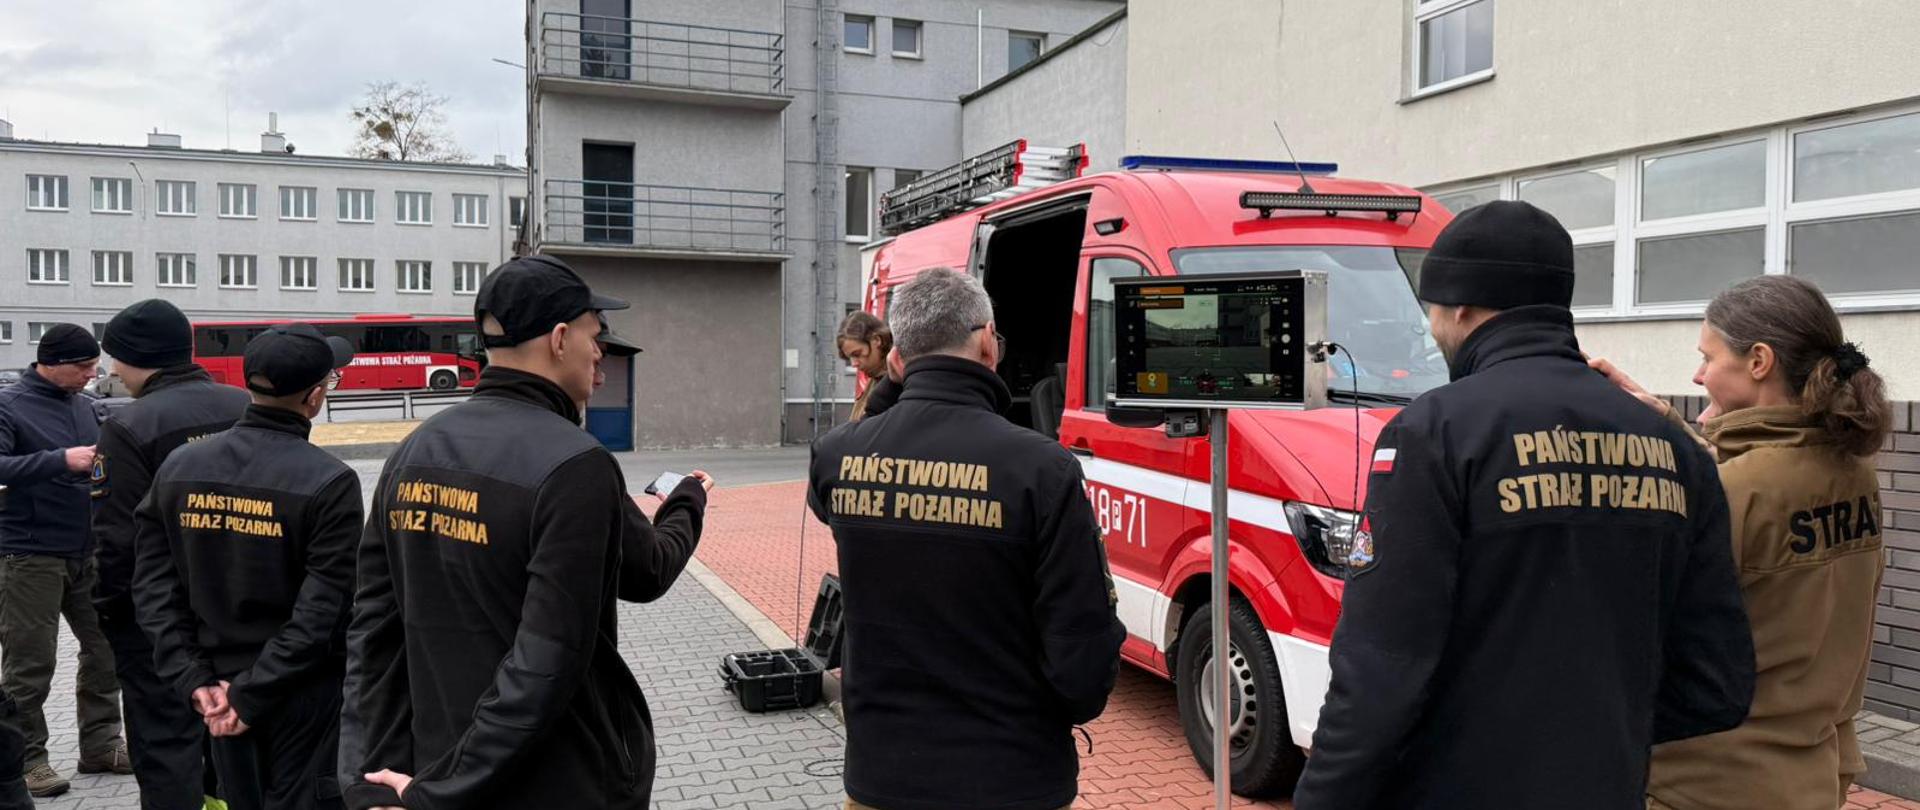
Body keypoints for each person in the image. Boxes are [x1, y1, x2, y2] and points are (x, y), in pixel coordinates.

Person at [1291, 201, 1756, 810]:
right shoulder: (1675, 446)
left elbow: (1382, 663)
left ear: (1459, 305)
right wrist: (1592, 739)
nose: (1433, 329)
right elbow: (1716, 684)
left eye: (1431, 311)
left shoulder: (1434, 432)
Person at [341, 255, 710, 809]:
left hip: (438, 763)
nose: (600, 350)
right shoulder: (574, 465)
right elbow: (546, 659)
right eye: (596, 333)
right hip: (554, 777)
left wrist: (368, 782)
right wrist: (690, 503)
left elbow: (371, 634)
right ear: (560, 339)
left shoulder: (413, 452)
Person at [807, 267, 1126, 810]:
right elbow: (1082, 651)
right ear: (986, 343)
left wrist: (900, 378)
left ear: (898, 358)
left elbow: (828, 500)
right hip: (1011, 778)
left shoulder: (837, 455)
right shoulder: (1041, 468)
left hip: (881, 778)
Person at [1588, 275, 1891, 810]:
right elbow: (1759, 488)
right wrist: (1668, 423)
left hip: (1708, 783)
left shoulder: (1736, 491)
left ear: (1758, 361)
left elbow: (1636, 636)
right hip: (1813, 772)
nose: (1698, 374)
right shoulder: (1852, 472)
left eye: (1708, 356)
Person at [130, 323, 361, 810]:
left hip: (213, 692)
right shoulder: (329, 480)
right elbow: (323, 610)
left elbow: (153, 588)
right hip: (297, 695)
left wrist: (194, 681)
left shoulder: (178, 466)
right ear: (316, 397)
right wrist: (251, 695)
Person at [92, 299, 250, 810]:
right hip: (246, 611)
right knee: (236, 737)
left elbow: (119, 541)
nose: (113, 370)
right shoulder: (245, 406)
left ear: (136, 357)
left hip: (161, 622)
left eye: (115, 358)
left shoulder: (130, 427)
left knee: (165, 745)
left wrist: (113, 613)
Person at [0, 323, 128, 798]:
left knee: (105, 649)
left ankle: (101, 744)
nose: (92, 375)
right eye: (82, 367)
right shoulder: (9, 404)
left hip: (87, 550)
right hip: (29, 553)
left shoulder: (86, 405)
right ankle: (28, 760)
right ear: (49, 362)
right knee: (30, 664)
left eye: (94, 366)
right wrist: (60, 461)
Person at [837, 311, 901, 421]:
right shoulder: (877, 377)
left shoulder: (899, 379)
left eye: (857, 354)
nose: (854, 364)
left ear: (877, 340)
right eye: (849, 358)